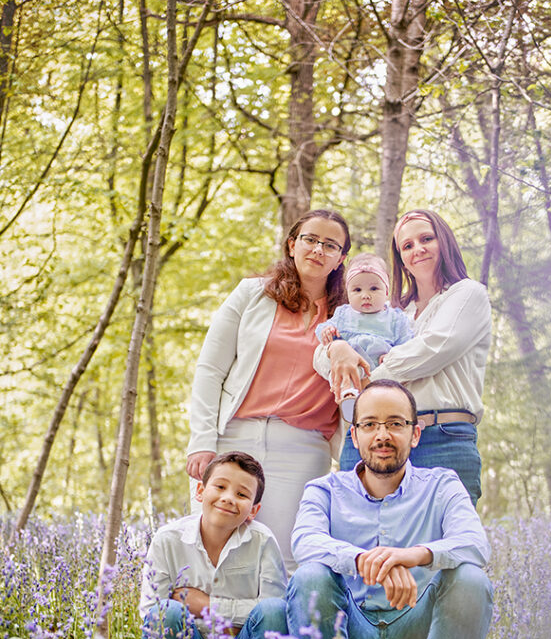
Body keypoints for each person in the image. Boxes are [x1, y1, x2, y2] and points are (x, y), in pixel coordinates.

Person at [286, 381, 493, 639]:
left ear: (415, 434)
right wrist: (364, 559)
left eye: (395, 424)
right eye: (370, 424)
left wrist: (411, 555)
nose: (382, 435)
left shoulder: (443, 484)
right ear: (354, 435)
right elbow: (306, 541)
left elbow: (475, 543)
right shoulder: (324, 490)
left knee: (471, 580)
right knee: (310, 576)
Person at [186, 209, 351, 571]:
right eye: (309, 239)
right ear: (292, 244)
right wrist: (201, 441)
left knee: (286, 558)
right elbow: (210, 369)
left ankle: (279, 630)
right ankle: (209, 628)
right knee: (213, 553)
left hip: (303, 448)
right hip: (234, 436)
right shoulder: (252, 294)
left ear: (340, 259)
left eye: (330, 245)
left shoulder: (349, 315)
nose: (317, 250)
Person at [315, 210, 491, 507]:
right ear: (400, 258)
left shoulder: (467, 294)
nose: (417, 249)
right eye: (406, 246)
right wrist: (337, 349)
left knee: (442, 547)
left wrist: (367, 378)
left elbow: (434, 348)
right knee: (364, 542)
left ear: (444, 242)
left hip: (442, 436)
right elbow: (319, 353)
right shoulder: (395, 312)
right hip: (374, 437)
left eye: (426, 239)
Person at [141, 452, 288, 639]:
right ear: (200, 490)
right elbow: (151, 612)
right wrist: (232, 618)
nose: (229, 498)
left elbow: (276, 612)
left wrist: (207, 606)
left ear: (253, 510)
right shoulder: (167, 540)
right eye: (220, 487)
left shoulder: (263, 541)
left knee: (273, 611)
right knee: (166, 612)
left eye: (242, 494)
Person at [315, 253, 414, 419]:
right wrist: (327, 331)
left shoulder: (395, 318)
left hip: (379, 368)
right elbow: (322, 330)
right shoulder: (343, 314)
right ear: (348, 293)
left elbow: (406, 342)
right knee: (346, 375)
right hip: (351, 363)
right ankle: (348, 399)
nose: (365, 295)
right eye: (357, 290)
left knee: (385, 394)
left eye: (374, 288)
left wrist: (393, 354)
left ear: (387, 291)